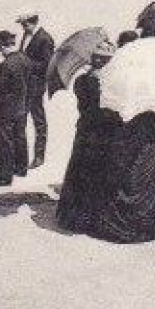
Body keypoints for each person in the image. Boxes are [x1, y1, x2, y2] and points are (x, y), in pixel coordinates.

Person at [57, 44, 119, 234]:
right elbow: (104, 111)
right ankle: (91, 219)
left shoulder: (81, 80)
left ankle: (73, 217)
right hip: (99, 133)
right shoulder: (100, 84)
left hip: (84, 130)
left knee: (79, 173)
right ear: (102, 61)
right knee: (95, 175)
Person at [91, 103, 155, 245]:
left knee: (127, 180)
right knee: (146, 184)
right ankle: (148, 228)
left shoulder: (126, 101)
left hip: (132, 148)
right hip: (148, 154)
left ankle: (121, 227)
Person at [0, 30, 32, 187]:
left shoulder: (6, 65)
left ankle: (5, 176)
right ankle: (21, 167)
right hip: (22, 105)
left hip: (7, 108)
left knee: (6, 140)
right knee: (20, 136)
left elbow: (0, 88)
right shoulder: (24, 59)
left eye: (0, 49)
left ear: (4, 46)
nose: (0, 53)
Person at [17, 13, 55, 169]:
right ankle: (17, 157)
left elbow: (47, 65)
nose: (23, 27)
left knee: (38, 121)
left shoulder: (45, 38)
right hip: (24, 84)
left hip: (35, 86)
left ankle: (39, 156)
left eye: (25, 24)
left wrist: (25, 64)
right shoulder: (26, 35)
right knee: (19, 120)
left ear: (33, 22)